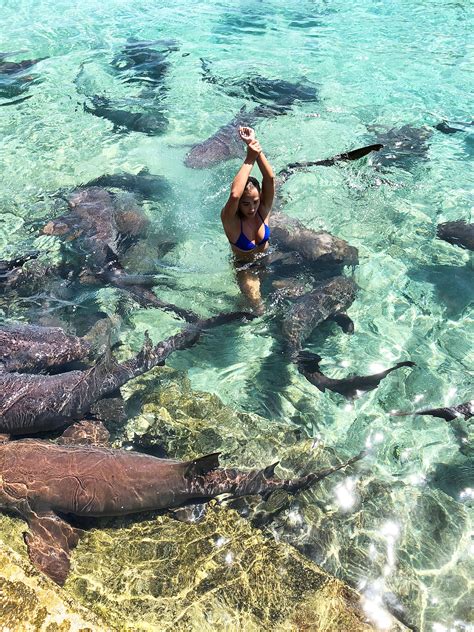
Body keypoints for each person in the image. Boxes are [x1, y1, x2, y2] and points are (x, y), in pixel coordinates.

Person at [221, 126, 275, 313]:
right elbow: (235, 194)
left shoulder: (263, 210)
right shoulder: (231, 221)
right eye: (246, 204)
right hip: (245, 270)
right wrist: (249, 157)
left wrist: (255, 146)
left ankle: (240, 307)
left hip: (266, 263)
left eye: (255, 201)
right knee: (260, 311)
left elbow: (270, 178)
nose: (252, 208)